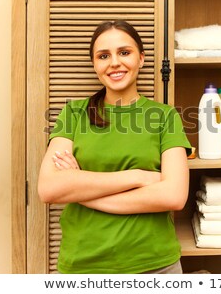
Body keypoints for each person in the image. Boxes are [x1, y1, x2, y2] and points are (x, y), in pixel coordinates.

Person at [38, 20, 192, 274]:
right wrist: (139, 177)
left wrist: (80, 189)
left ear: (141, 59)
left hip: (154, 265)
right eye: (103, 56)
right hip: (83, 266)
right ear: (94, 64)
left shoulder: (164, 117)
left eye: (124, 52)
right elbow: (48, 189)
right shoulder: (74, 114)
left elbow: (173, 196)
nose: (114, 63)